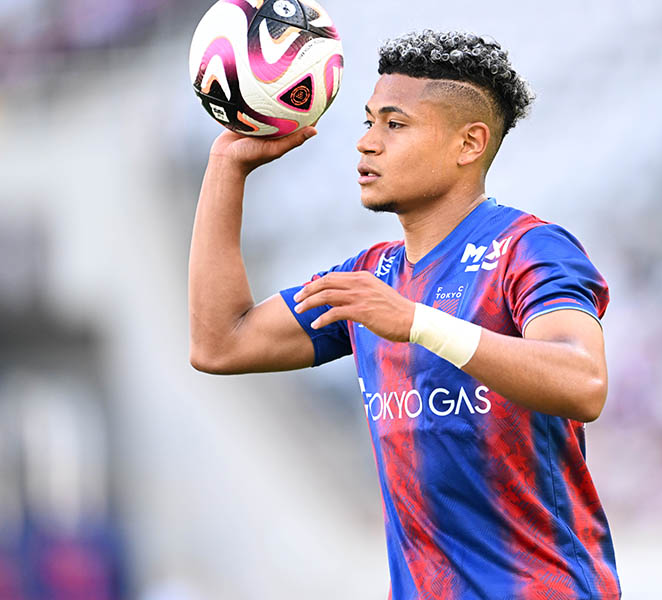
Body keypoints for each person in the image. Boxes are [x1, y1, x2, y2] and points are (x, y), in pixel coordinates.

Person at [189, 29, 620, 600]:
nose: (367, 143)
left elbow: (583, 382)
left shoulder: (528, 248)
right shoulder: (373, 276)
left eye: (394, 125)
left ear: (469, 143)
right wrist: (226, 166)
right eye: (368, 122)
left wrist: (417, 323)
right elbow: (221, 344)